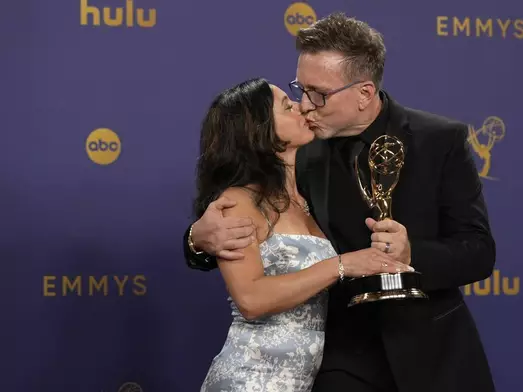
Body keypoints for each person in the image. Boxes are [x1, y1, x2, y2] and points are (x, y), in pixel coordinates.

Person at [185, 13, 497, 392]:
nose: (305, 105)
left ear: (364, 93)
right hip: (340, 362)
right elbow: (247, 223)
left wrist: (412, 253)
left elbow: (478, 251)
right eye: (301, 89)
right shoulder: (296, 149)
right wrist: (196, 239)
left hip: (436, 357)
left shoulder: (439, 141)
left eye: (318, 93)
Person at [191, 77, 412, 392]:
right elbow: (251, 299)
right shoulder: (236, 202)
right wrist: (342, 265)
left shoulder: (310, 196)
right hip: (249, 380)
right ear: (260, 130)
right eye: (287, 106)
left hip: (306, 382)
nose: (303, 106)